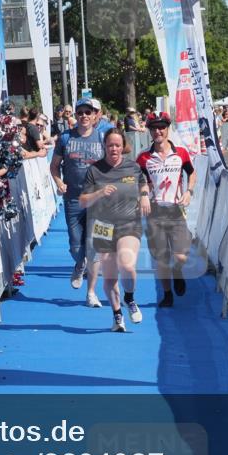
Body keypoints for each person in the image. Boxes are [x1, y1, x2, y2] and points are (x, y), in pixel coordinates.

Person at [79, 128, 144, 331]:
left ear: (122, 146)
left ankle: (130, 299)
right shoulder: (94, 170)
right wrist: (99, 193)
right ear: (104, 147)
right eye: (110, 145)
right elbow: (82, 201)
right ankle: (117, 315)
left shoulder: (132, 167)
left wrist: (145, 196)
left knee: (127, 264)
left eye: (117, 145)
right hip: (103, 227)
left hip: (129, 223)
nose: (113, 148)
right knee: (109, 278)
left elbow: (144, 185)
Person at [51, 97, 113, 307]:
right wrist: (59, 181)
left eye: (89, 112)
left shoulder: (102, 136)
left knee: (95, 246)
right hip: (74, 199)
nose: (84, 116)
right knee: (76, 245)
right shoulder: (65, 138)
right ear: (75, 116)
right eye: (80, 113)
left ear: (96, 115)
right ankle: (79, 264)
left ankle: (91, 293)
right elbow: (54, 166)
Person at [137, 112, 196, 308]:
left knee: (180, 256)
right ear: (149, 131)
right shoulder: (143, 158)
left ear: (167, 129)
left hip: (176, 211)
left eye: (161, 127)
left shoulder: (181, 153)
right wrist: (144, 194)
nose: (158, 131)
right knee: (161, 258)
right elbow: (141, 182)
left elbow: (192, 173)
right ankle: (167, 294)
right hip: (155, 213)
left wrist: (189, 191)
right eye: (154, 128)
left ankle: (178, 272)